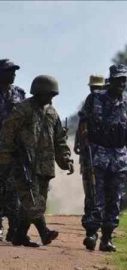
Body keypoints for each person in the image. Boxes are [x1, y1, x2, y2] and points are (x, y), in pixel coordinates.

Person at [0, 75, 74, 247]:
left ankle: (20, 236)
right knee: (32, 201)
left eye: (52, 95)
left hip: (45, 166)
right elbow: (7, 132)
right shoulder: (22, 109)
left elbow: (59, 140)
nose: (50, 98)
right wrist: (6, 157)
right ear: (38, 92)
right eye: (47, 94)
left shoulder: (52, 112)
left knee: (37, 202)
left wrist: (66, 160)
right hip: (23, 163)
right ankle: (44, 233)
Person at [77, 64, 127, 252]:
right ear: (110, 80)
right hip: (98, 153)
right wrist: (83, 146)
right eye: (118, 79)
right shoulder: (95, 99)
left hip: (119, 155)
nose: (121, 83)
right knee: (95, 196)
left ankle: (107, 238)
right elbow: (83, 122)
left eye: (124, 80)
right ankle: (92, 233)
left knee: (115, 198)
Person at [0, 59, 26, 242]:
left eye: (14, 71)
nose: (13, 74)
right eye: (9, 71)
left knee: (13, 190)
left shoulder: (19, 93)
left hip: (15, 150)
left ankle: (14, 228)